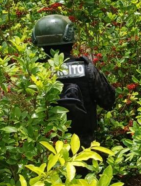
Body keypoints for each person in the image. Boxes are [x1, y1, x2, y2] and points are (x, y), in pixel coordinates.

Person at [32, 14, 115, 149]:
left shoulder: (33, 73)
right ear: (70, 38)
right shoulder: (86, 69)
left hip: (45, 148)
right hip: (84, 149)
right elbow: (109, 101)